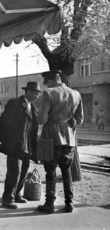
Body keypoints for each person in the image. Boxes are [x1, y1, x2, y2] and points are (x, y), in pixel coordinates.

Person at [36, 70, 84, 214]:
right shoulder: (76, 94)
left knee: (50, 170)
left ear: (51, 80)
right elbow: (80, 119)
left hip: (50, 136)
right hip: (69, 138)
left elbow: (41, 119)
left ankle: (49, 204)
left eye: (47, 82)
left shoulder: (48, 93)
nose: (47, 85)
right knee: (66, 170)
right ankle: (69, 203)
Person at [0, 82, 41, 209]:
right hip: (15, 144)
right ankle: (7, 199)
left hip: (27, 145)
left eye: (37, 94)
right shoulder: (14, 103)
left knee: (24, 170)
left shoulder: (32, 107)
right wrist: (6, 140)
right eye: (34, 93)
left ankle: (17, 194)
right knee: (14, 171)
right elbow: (2, 121)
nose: (36, 96)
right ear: (26, 92)